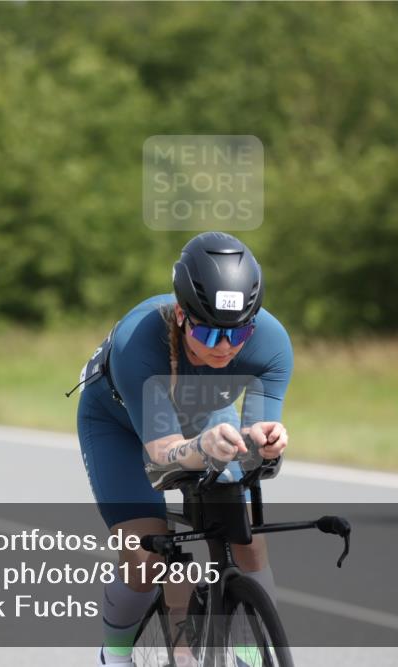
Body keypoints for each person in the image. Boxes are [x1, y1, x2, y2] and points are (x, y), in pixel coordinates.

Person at [75, 232, 293, 666]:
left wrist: (267, 444)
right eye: (210, 336)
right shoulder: (138, 342)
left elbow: (253, 443)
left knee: (246, 539)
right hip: (117, 424)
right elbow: (161, 454)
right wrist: (203, 447)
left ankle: (250, 654)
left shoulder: (272, 343)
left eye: (239, 333)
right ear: (181, 314)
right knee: (145, 560)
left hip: (200, 413)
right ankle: (113, 655)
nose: (226, 348)